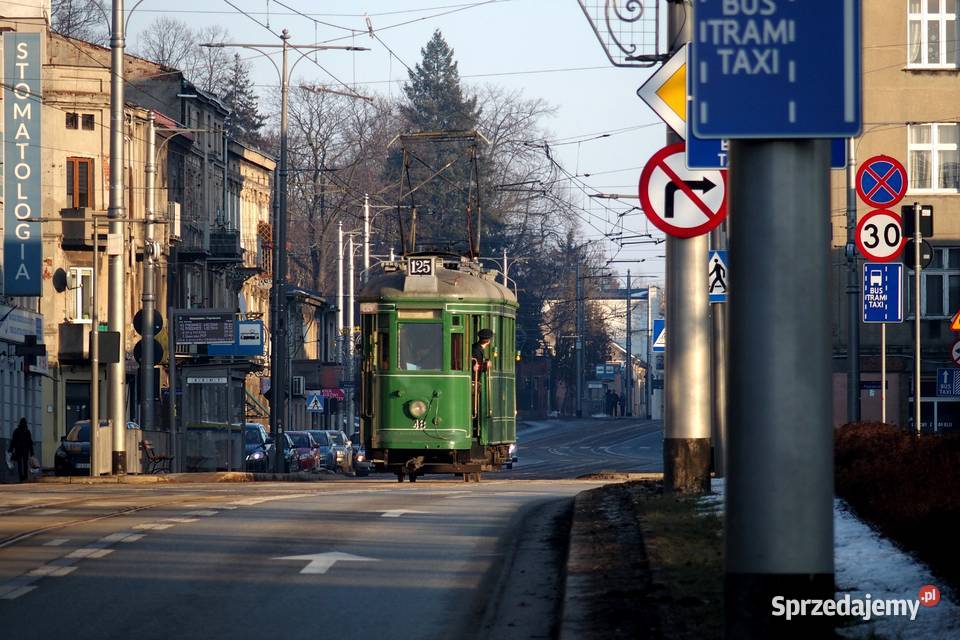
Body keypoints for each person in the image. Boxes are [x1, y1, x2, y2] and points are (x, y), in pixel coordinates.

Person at [8, 417, 34, 483]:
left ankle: (21, 477)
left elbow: (13, 441)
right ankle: (25, 476)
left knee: (20, 464)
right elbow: (30, 442)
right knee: (24, 463)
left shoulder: (17, 431)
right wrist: (32, 452)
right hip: (24, 450)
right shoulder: (27, 431)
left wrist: (10, 449)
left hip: (19, 450)